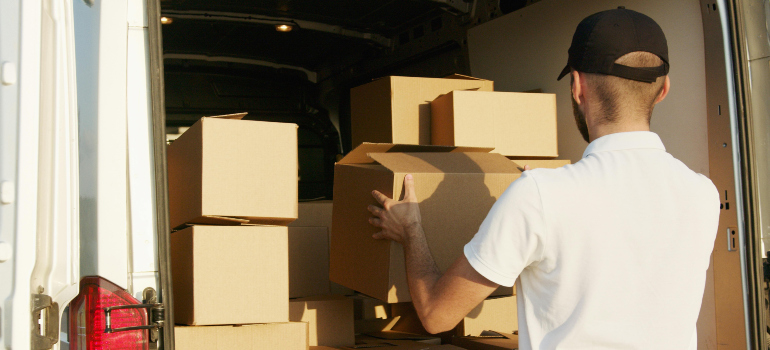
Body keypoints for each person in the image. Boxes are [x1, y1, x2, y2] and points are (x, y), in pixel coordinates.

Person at [366, 7, 719, 350]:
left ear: (577, 87)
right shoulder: (703, 194)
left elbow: (435, 315)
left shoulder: (539, 197)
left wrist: (410, 230)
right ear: (664, 88)